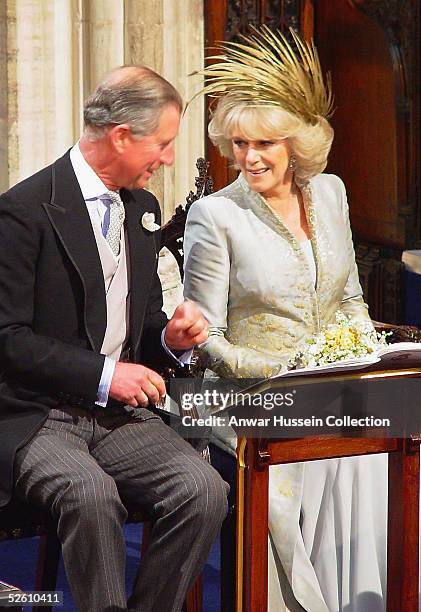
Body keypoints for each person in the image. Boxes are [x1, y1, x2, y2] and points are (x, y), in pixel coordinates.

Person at [0, 65, 229, 612]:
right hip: (34, 414)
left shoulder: (141, 209)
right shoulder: (24, 212)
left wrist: (171, 339)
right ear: (122, 135)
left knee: (203, 490)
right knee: (92, 494)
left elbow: (145, 326)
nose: (169, 159)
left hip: (114, 417)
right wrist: (105, 374)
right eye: (164, 144)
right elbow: (7, 339)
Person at [184, 28, 387, 611]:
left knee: (393, 433)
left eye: (265, 144)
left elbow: (349, 299)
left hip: (332, 386)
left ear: (297, 144)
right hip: (245, 398)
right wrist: (287, 374)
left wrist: (360, 356)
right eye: (239, 143)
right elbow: (206, 344)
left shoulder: (331, 192)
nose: (249, 158)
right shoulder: (215, 215)